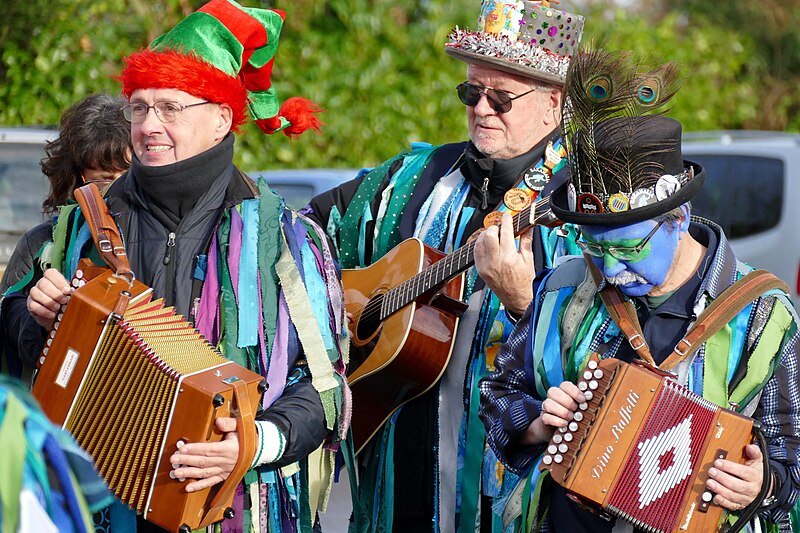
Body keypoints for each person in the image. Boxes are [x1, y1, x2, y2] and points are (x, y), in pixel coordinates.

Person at [6, 1, 349, 531]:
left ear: (221, 118)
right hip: (99, 505)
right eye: (138, 108)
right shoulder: (78, 229)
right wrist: (38, 321)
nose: (149, 126)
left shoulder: (287, 241)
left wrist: (254, 442)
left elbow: (326, 389)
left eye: (171, 107)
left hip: (233, 507)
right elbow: (16, 345)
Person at [479, 49, 800, 532]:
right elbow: (500, 394)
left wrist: (761, 485)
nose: (609, 268)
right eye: (593, 245)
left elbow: (792, 463)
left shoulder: (763, 315)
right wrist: (539, 423)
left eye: (628, 248)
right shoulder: (563, 288)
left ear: (680, 220)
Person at [306, 2, 585, 530]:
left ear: (553, 104)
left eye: (501, 98)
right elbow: (307, 228)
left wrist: (527, 304)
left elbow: (621, 354)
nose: (481, 108)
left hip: (512, 489)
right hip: (399, 468)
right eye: (470, 93)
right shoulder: (416, 177)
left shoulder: (585, 206)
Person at [0, 93, 130, 380]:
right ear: (77, 176)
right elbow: (10, 334)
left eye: (129, 176)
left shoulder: (156, 236)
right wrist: (42, 320)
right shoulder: (41, 244)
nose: (118, 191)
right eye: (104, 178)